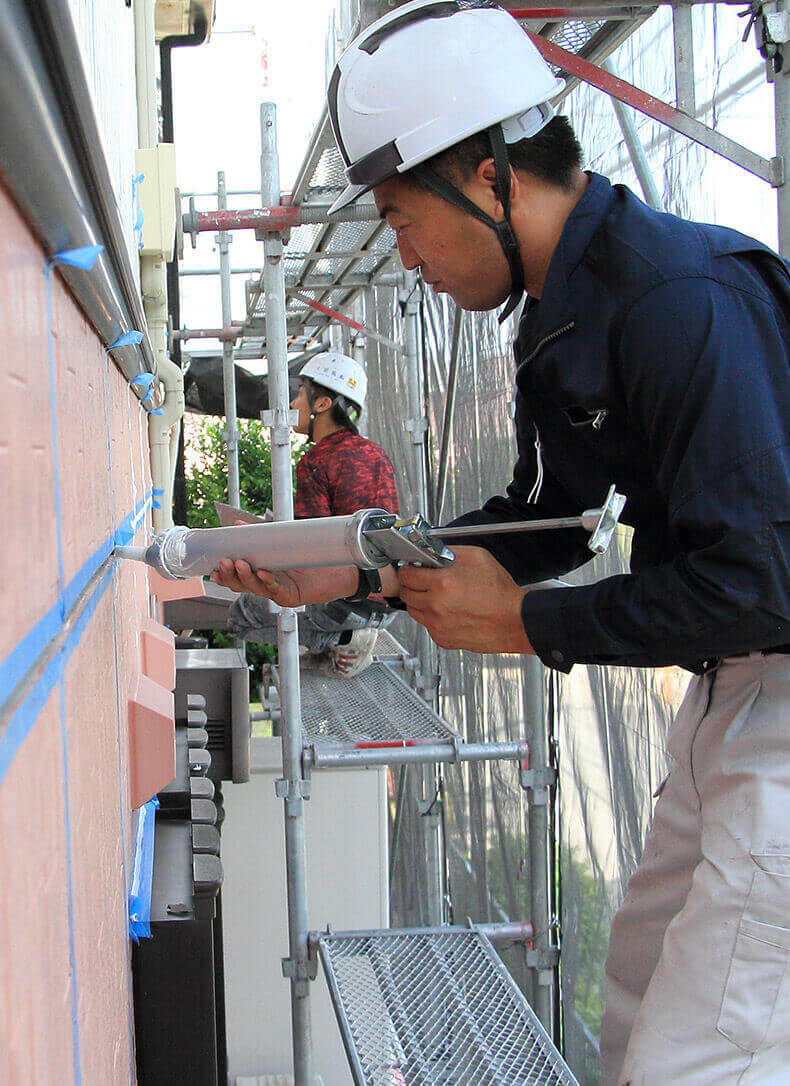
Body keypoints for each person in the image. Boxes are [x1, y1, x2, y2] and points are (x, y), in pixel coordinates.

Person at [214, 2, 790, 1080]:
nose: (405, 255)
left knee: (700, 1058)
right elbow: (547, 521)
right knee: (637, 1011)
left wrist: (530, 624)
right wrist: (355, 568)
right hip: (729, 700)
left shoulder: (681, 299)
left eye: (400, 218)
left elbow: (764, 584)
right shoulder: (565, 312)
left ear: (488, 177)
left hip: (778, 701)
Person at [227, 350, 400, 676]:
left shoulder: (317, 461)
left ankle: (344, 639)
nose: (293, 403)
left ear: (322, 404)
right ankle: (337, 644)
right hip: (386, 595)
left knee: (242, 616)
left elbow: (309, 550)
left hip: (348, 601)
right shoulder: (375, 452)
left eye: (299, 394)